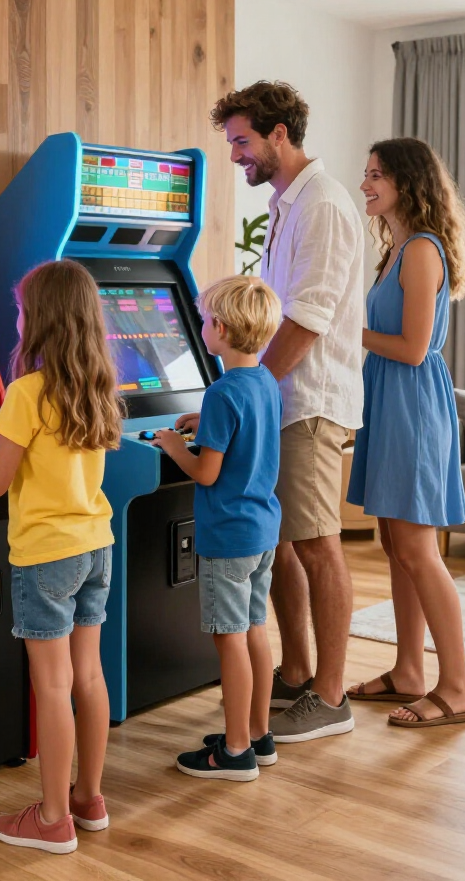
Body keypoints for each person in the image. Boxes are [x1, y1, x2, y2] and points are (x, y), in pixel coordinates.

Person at [0, 259, 122, 853]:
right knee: (88, 676)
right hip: (97, 545)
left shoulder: (27, 393)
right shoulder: (99, 385)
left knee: (52, 685)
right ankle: (87, 799)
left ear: (39, 320)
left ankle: (50, 821)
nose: (17, 319)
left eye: (21, 310)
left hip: (46, 555)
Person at [210, 81, 364, 743]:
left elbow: (305, 320)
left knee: (317, 542)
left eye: (243, 141)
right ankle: (298, 672)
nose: (237, 155)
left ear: (279, 135)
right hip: (281, 398)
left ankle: (331, 697)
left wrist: (250, 392)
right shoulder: (287, 204)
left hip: (306, 400)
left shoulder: (322, 205)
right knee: (282, 541)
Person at [346, 138, 465, 728]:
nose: (366, 183)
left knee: (419, 551)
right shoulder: (397, 248)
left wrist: (347, 331)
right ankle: (408, 671)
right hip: (390, 402)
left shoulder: (422, 250)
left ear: (407, 182)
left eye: (377, 175)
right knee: (396, 548)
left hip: (414, 407)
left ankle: (457, 689)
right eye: (366, 173)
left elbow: (413, 347)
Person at [151, 275, 283, 780]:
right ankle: (256, 734)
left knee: (228, 639)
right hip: (261, 528)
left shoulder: (222, 392)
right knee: (253, 629)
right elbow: (242, 431)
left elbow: (206, 471)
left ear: (221, 329)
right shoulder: (263, 381)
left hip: (227, 536)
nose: (201, 328)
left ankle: (233, 752)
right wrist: (200, 420)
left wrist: (172, 444)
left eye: (205, 321)